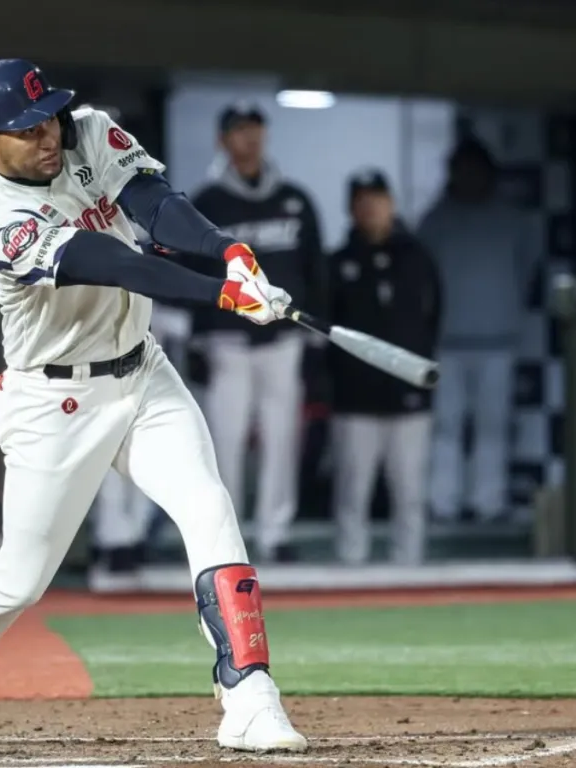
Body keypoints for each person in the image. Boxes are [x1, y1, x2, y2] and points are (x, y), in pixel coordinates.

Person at [0, 59, 306, 753]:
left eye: (49, 118)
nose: (48, 136)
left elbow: (154, 203)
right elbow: (112, 262)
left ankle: (249, 696)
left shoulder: (87, 130)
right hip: (55, 402)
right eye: (26, 129)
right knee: (17, 582)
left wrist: (228, 251)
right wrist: (219, 293)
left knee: (209, 508)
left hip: (142, 372)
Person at [189, 103, 327, 562]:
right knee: (223, 441)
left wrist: (313, 341)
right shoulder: (206, 203)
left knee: (282, 438)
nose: (249, 138)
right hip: (226, 342)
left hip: (283, 340)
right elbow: (190, 271)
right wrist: (195, 339)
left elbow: (315, 270)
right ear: (222, 140)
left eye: (255, 129)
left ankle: (275, 532)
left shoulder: (295, 199)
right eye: (239, 131)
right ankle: (227, 537)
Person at [416, 136, 535, 524]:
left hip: (498, 340)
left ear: (489, 173)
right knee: (445, 428)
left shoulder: (513, 220)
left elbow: (527, 269)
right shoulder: (434, 221)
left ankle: (490, 502)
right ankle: (443, 502)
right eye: (462, 170)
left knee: (493, 428)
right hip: (446, 342)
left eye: (476, 170)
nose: (469, 177)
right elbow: (422, 279)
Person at [327, 170, 441, 565]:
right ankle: (349, 565)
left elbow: (434, 317)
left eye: (377, 199)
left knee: (409, 491)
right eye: (362, 201)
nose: (371, 208)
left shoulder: (418, 257)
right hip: (354, 399)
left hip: (408, 396)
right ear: (351, 209)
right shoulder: (338, 262)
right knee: (352, 492)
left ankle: (410, 566)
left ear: (391, 203)